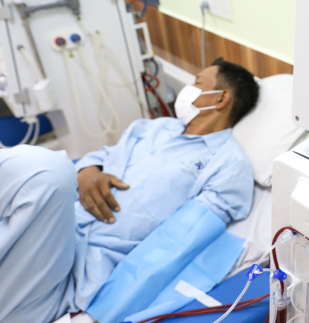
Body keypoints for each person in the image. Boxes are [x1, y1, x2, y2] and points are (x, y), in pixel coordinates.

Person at [0, 58, 259, 323]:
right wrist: (87, 171)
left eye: (197, 82)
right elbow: (104, 155)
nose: (188, 89)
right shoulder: (152, 128)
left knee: (44, 168)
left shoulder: (227, 165)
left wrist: (101, 314)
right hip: (52, 222)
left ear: (221, 98)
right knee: (40, 171)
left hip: (74, 266)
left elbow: (176, 245)